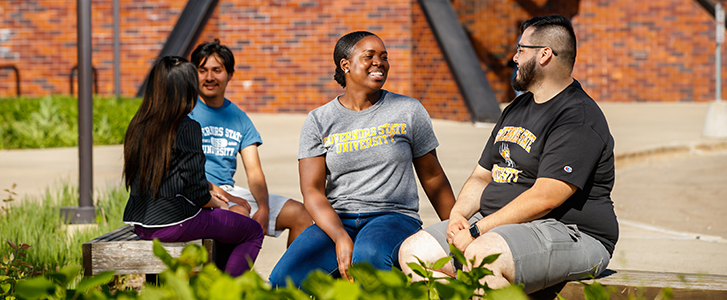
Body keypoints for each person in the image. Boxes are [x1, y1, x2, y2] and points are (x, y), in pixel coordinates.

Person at [398, 15, 619, 294]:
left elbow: (546, 196)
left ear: (545, 55)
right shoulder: (517, 108)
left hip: (571, 232)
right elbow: (482, 175)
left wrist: (478, 231)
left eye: (521, 49)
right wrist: (457, 216)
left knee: (482, 257)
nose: (514, 58)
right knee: (414, 252)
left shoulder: (577, 116)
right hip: (502, 226)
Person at [268, 31, 456, 288]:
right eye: (369, 56)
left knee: (368, 258)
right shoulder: (319, 119)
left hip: (392, 216)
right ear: (345, 65)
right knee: (283, 280)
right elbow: (312, 192)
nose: (379, 62)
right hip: (338, 218)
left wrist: (456, 231)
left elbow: (433, 177)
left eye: (384, 56)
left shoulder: (408, 110)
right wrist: (339, 236)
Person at [121, 56, 263, 277]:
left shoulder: (138, 124)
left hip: (141, 224)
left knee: (230, 219)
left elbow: (175, 174)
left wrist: (218, 193)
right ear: (186, 89)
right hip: (174, 222)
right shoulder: (187, 127)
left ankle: (211, 282)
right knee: (252, 230)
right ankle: (225, 292)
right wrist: (218, 204)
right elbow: (196, 192)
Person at [188, 40, 313, 247]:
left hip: (229, 193)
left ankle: (288, 279)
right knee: (239, 214)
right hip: (196, 191)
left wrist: (263, 207)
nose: (209, 77)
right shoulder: (186, 111)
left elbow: (254, 172)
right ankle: (231, 277)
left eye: (217, 70)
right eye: (203, 70)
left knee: (299, 214)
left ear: (230, 74)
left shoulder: (239, 118)